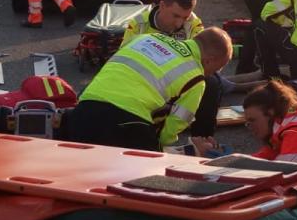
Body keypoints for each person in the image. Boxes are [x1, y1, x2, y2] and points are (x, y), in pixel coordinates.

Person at [65, 28, 233, 152]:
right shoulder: (196, 78)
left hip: (83, 109)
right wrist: (158, 145)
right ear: (209, 61)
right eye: (214, 70)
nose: (210, 74)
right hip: (126, 123)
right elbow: (177, 123)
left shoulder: (146, 38)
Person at [121, 0, 224, 139]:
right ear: (162, 5)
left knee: (212, 82)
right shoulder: (138, 24)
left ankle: (202, 139)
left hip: (178, 78)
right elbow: (123, 60)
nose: (179, 24)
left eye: (185, 17)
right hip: (146, 79)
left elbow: (202, 61)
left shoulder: (194, 23)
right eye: (176, 16)